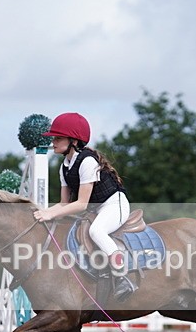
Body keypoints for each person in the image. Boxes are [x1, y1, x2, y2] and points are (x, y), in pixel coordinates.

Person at [33, 112, 136, 302]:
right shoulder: (64, 166)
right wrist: (46, 212)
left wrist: (50, 214)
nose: (53, 142)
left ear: (73, 140)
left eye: (58, 138)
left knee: (97, 231)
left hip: (115, 205)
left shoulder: (87, 162)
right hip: (96, 209)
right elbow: (64, 204)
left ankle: (123, 276)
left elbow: (80, 204)